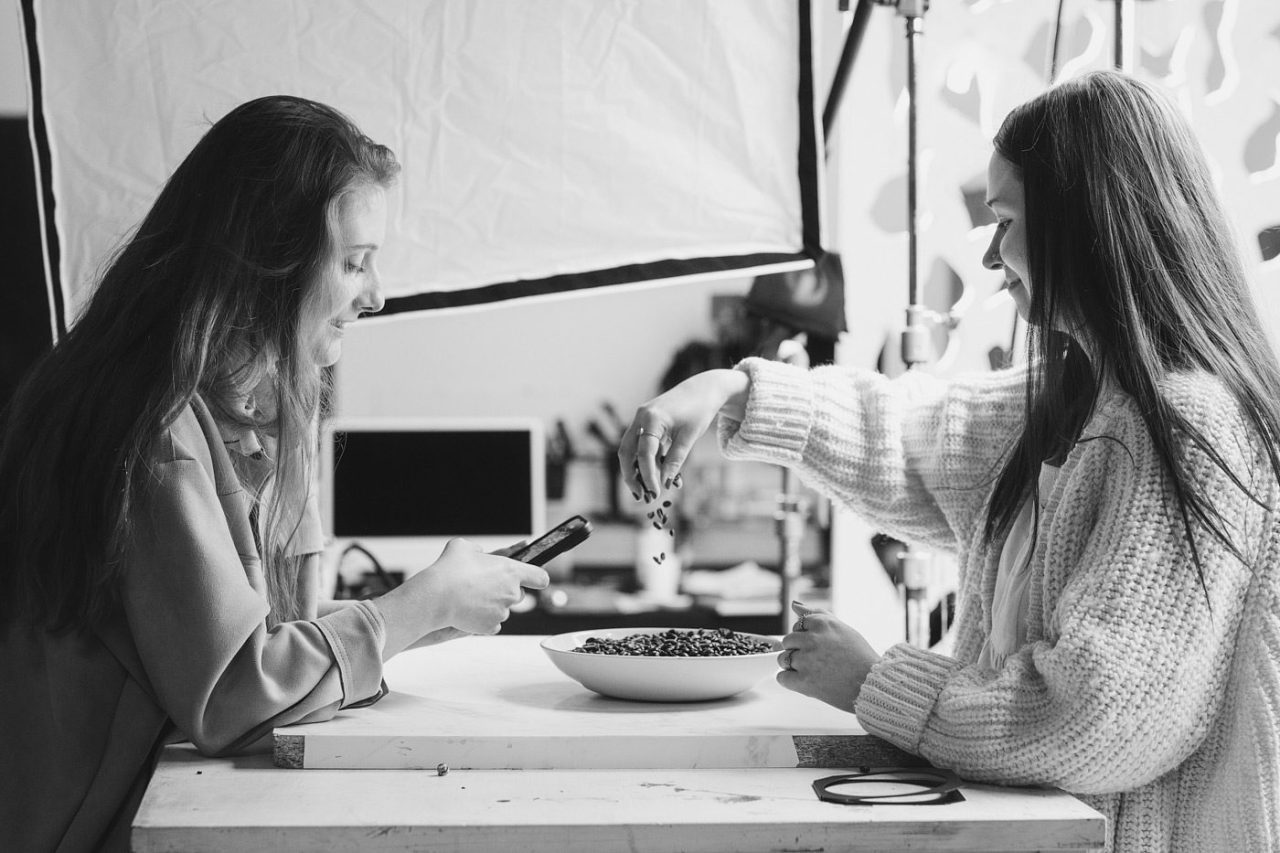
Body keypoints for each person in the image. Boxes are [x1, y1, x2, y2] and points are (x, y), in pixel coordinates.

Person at [621, 71, 1280, 852]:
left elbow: (1099, 715)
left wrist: (873, 683)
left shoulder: (1188, 424)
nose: (997, 257)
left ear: (1083, 224)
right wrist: (730, 390)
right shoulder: (1075, 397)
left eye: (1006, 220)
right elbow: (903, 440)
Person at [0, 96, 549, 852]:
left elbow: (277, 641)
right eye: (355, 263)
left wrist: (428, 612)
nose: (376, 295)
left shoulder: (233, 408)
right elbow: (234, 698)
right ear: (266, 261)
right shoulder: (154, 429)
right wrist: (414, 608)